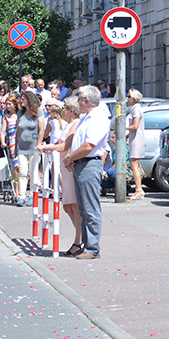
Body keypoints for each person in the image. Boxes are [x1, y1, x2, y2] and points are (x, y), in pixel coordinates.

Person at [62, 86, 111, 260]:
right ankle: (86, 244)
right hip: (81, 163)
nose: (78, 102)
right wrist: (72, 158)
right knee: (83, 208)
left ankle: (92, 248)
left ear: (87, 101)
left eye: (79, 99)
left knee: (90, 208)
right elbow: (79, 142)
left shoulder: (98, 118)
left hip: (89, 163)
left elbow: (89, 146)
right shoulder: (86, 118)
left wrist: (70, 158)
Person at [39, 96, 83, 256]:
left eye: (64, 108)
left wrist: (48, 147)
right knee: (67, 205)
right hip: (64, 166)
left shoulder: (76, 123)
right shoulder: (69, 124)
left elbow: (65, 145)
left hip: (69, 166)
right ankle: (81, 236)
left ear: (71, 110)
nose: (62, 110)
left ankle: (79, 240)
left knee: (73, 205)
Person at [15, 91, 46, 206]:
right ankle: (22, 196)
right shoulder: (20, 113)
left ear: (29, 99)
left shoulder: (38, 112)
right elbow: (18, 130)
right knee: (23, 171)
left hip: (34, 147)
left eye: (23, 98)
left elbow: (41, 129)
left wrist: (38, 144)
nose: (21, 100)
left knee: (33, 172)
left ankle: (33, 195)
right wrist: (15, 146)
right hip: (22, 147)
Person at [127, 88, 146, 201]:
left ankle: (139, 189)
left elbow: (135, 126)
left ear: (134, 98)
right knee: (134, 164)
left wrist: (123, 127)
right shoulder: (134, 109)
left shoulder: (136, 110)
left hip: (136, 140)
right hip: (134, 138)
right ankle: (138, 189)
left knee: (134, 164)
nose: (127, 98)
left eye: (129, 96)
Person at [1, 94, 20, 202]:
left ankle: (21, 188)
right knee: (16, 166)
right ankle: (16, 189)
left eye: (9, 104)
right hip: (12, 143)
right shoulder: (6, 117)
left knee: (22, 167)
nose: (7, 106)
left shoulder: (19, 115)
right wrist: (3, 142)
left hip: (21, 142)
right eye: (6, 104)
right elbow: (3, 131)